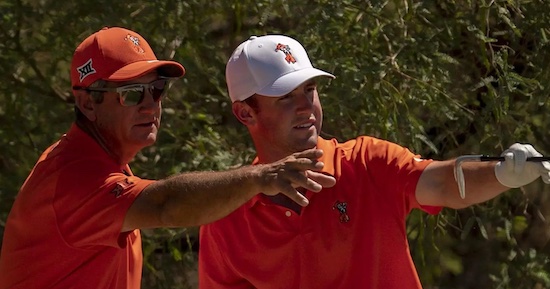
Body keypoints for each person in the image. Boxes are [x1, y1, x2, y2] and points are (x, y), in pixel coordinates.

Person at [198, 34, 550, 288]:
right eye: (287, 97)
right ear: (245, 113)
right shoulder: (225, 214)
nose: (307, 107)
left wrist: (503, 173)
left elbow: (445, 182)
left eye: (310, 90)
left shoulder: (368, 162)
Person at [0, 28, 336, 289]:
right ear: (88, 104)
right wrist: (262, 176)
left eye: (157, 89)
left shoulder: (99, 163)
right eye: (131, 94)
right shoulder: (73, 178)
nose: (150, 105)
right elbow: (166, 204)